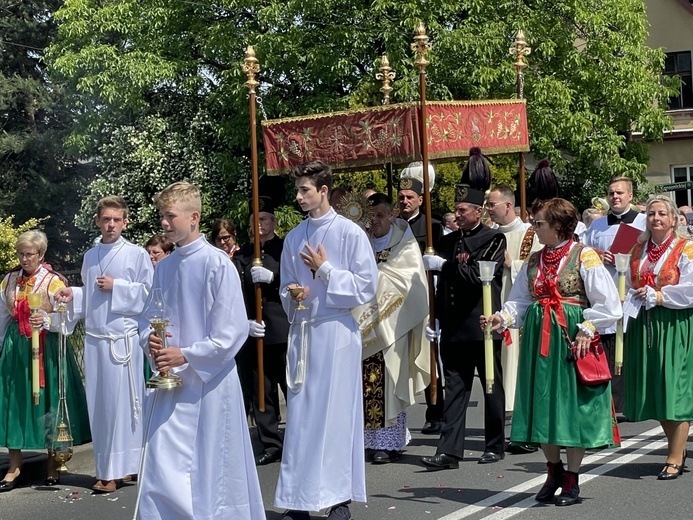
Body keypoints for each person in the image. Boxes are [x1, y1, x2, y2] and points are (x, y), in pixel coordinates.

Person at [134, 182, 265, 519]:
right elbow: (149, 319)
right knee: (163, 463)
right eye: (161, 216)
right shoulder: (164, 267)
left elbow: (231, 331)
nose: (163, 223)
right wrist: (150, 340)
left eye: (170, 216)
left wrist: (187, 354)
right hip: (171, 383)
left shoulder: (217, 264)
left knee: (211, 466)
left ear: (193, 218)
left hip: (209, 385)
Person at [482, 198, 621, 506]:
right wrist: (500, 318)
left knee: (569, 407)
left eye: (539, 223)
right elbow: (520, 300)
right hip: (538, 338)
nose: (534, 227)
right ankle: (553, 470)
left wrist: (588, 328)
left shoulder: (584, 256)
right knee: (542, 404)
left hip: (570, 337)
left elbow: (609, 305)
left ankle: (572, 478)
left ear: (559, 225)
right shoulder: (534, 260)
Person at [275, 160, 377, 520]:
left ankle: (338, 499)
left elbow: (367, 287)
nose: (299, 196)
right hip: (304, 331)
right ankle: (299, 499)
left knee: (334, 416)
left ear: (323, 191)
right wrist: (293, 292)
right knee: (301, 418)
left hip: (336, 331)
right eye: (297, 190)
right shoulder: (293, 236)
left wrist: (326, 270)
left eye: (305, 190)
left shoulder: (349, 233)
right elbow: (286, 283)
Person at [55, 195, 153, 493]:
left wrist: (118, 287)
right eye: (106, 219)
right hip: (97, 341)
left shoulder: (136, 254)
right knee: (101, 408)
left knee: (124, 407)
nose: (111, 224)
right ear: (98, 221)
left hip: (122, 342)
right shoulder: (90, 255)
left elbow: (149, 294)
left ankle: (121, 470)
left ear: (125, 222)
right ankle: (109, 467)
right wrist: (74, 294)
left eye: (116, 219)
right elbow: (91, 295)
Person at [421, 182, 507, 470]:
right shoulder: (446, 242)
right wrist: (435, 316)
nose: (456, 215)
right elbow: (442, 287)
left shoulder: (494, 239)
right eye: (455, 210)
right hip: (454, 327)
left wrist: (444, 266)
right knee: (455, 390)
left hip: (482, 324)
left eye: (462, 210)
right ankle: (448, 451)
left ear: (478, 211)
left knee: (490, 386)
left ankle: (494, 444)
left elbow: (478, 275)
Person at [0, 230, 91, 491]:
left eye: (29, 254)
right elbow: (2, 317)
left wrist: (48, 321)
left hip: (48, 347)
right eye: (21, 254)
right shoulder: (9, 280)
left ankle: (53, 462)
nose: (24, 259)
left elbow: (69, 318)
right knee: (13, 402)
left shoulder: (53, 282)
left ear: (41, 254)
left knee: (50, 399)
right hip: (16, 347)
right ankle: (14, 465)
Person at [352, 193, 430, 464]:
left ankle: (388, 443)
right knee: (362, 382)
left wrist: (373, 279)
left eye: (380, 215)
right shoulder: (359, 241)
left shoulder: (404, 241)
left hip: (393, 324)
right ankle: (365, 441)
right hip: (361, 323)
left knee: (389, 380)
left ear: (392, 214)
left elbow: (410, 278)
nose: (374, 221)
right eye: (370, 216)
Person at [623, 195, 693, 480]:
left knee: (675, 389)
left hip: (675, 323)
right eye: (651, 214)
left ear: (674, 219)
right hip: (645, 324)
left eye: (662, 214)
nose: (656, 219)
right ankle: (675, 448)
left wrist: (661, 296)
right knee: (658, 388)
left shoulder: (686, 248)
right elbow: (627, 282)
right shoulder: (637, 248)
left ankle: (674, 456)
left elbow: (691, 288)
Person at [582, 176, 646, 413]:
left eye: (620, 193)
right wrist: (597, 254)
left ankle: (635, 401)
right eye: (611, 193)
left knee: (631, 348)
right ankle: (614, 403)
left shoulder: (642, 222)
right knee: (609, 348)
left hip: (632, 293)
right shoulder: (597, 226)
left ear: (630, 195)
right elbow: (584, 250)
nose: (615, 197)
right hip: (606, 291)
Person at [485, 185, 541, 454]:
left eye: (492, 204)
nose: (488, 209)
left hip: (519, 312)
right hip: (496, 310)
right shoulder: (491, 235)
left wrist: (512, 264)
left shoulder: (531, 233)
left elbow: (539, 267)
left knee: (519, 371)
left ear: (508, 206)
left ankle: (526, 430)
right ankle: (513, 429)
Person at [234, 196, 289, 466]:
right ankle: (270, 442)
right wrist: (244, 322)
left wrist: (274, 278)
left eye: (264, 219)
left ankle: (299, 436)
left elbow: (295, 283)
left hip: (281, 329)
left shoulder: (285, 248)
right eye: (254, 221)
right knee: (261, 391)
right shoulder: (242, 255)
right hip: (254, 331)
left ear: (274, 222)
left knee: (291, 386)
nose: (259, 225)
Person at [397, 167, 444, 435]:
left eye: (410, 197)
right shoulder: (393, 227)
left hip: (426, 297)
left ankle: (435, 412)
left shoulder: (433, 226)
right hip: (398, 300)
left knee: (428, 356)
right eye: (401, 197)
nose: (405, 201)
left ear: (420, 199)